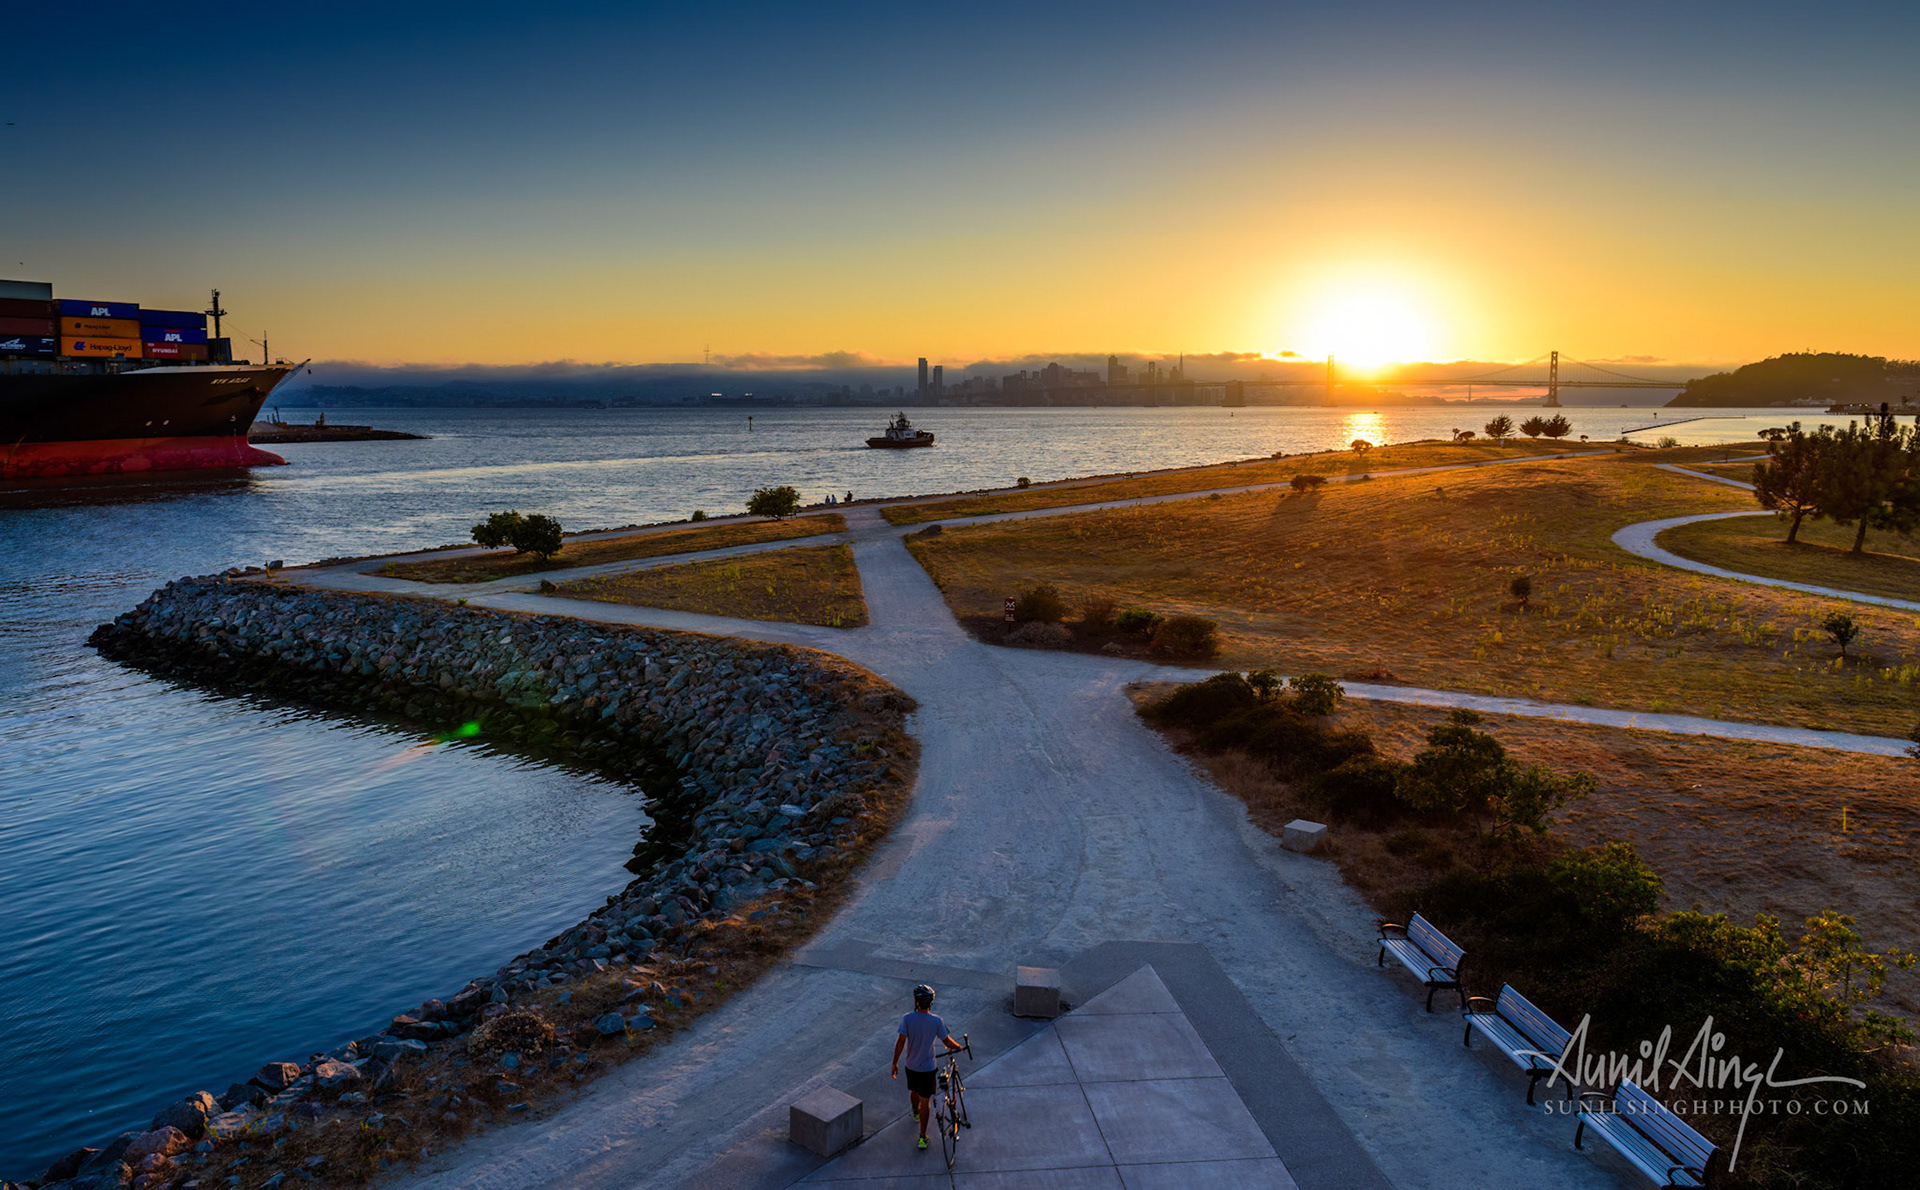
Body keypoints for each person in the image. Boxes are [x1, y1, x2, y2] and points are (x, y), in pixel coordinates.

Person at [891, 984, 963, 1151]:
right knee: (926, 1101)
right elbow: (946, 1041)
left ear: (916, 1002)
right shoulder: (936, 1021)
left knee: (913, 1091)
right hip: (928, 1068)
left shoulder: (907, 1019)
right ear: (930, 1004)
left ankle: (915, 1113)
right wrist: (958, 1046)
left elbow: (901, 1042)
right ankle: (922, 1137)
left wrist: (894, 1062)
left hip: (911, 1066)